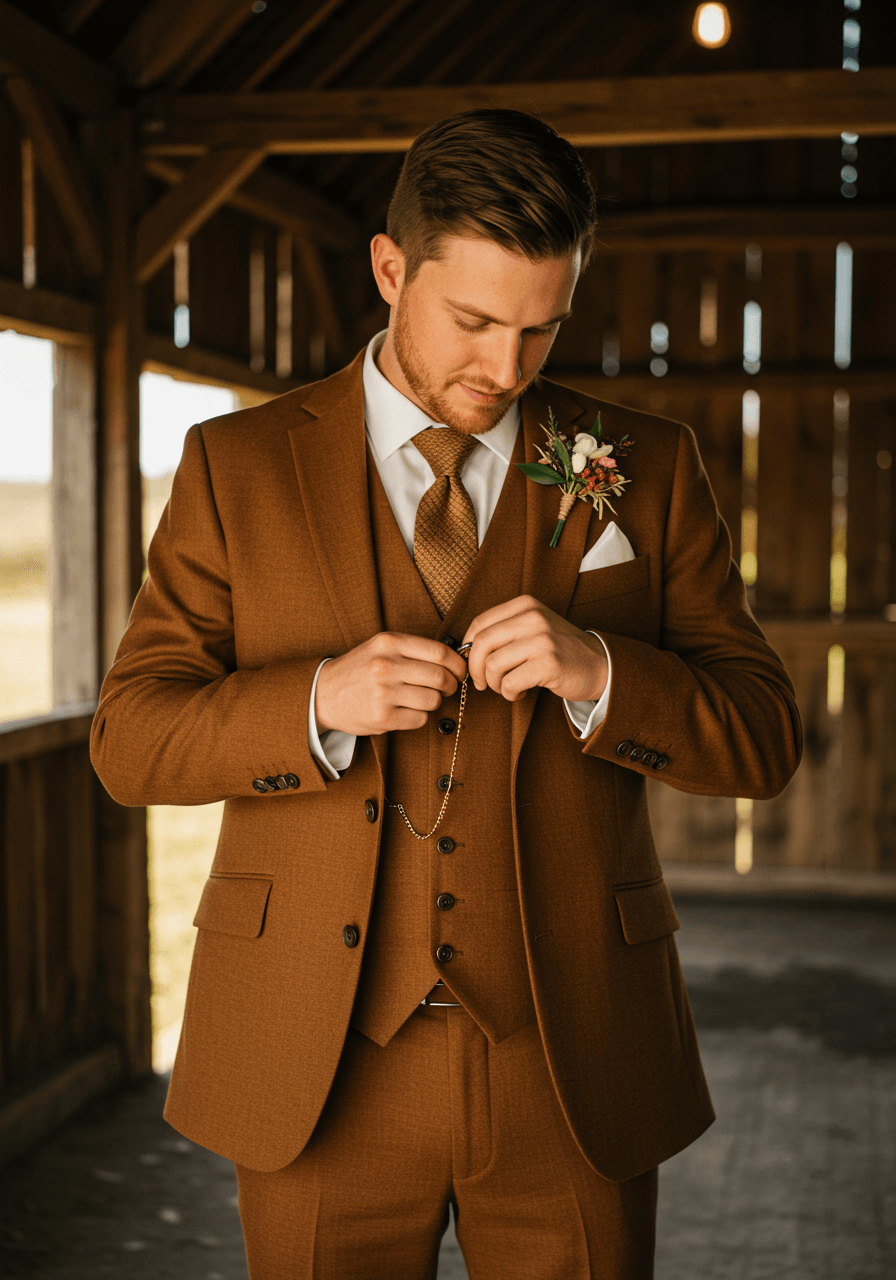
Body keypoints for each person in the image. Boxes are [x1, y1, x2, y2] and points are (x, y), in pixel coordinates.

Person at [91, 109, 802, 1279]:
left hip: (572, 1062)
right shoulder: (236, 468)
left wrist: (600, 673)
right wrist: (313, 698)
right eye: (472, 320)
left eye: (540, 328)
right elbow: (130, 739)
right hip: (315, 1068)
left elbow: (762, 738)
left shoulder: (645, 463)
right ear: (388, 268)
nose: (506, 369)